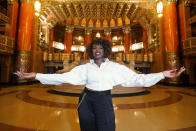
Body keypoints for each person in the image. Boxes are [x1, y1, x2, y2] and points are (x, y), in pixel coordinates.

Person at [14, 38, 185, 131]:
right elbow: (62, 77)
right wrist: (36, 75)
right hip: (86, 100)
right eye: (94, 48)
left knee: (106, 128)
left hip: (104, 100)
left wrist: (163, 74)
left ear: (106, 50)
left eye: (100, 48)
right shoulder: (84, 68)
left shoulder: (115, 68)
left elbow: (138, 79)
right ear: (90, 50)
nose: (97, 50)